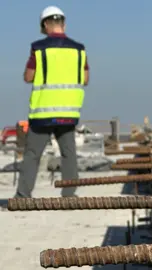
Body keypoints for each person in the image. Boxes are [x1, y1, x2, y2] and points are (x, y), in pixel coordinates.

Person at [14, 6, 90, 198]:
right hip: (68, 112)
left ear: (45, 25)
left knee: (32, 155)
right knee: (68, 154)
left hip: (43, 113)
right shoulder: (79, 50)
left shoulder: (39, 49)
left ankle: (23, 195)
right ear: (63, 24)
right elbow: (85, 79)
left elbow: (28, 76)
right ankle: (69, 194)